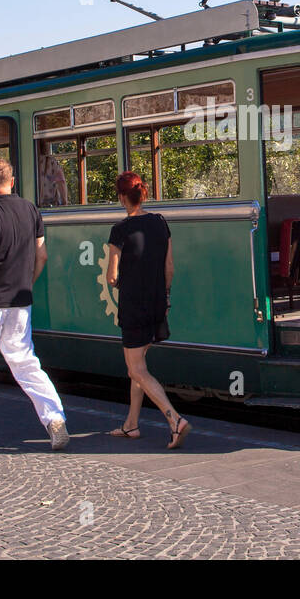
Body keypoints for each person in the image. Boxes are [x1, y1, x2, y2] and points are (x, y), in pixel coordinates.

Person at [0, 157, 69, 452]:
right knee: (26, 363)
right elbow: (42, 256)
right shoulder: (30, 210)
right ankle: (54, 418)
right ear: (12, 182)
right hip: (21, 303)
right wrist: (26, 285)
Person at [104, 171, 191, 449]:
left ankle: (174, 419)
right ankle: (131, 425)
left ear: (121, 197)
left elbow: (111, 277)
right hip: (156, 304)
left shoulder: (120, 230)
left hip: (133, 306)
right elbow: (170, 268)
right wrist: (164, 297)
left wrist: (123, 276)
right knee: (138, 366)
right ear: (143, 193)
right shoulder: (160, 223)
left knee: (137, 369)